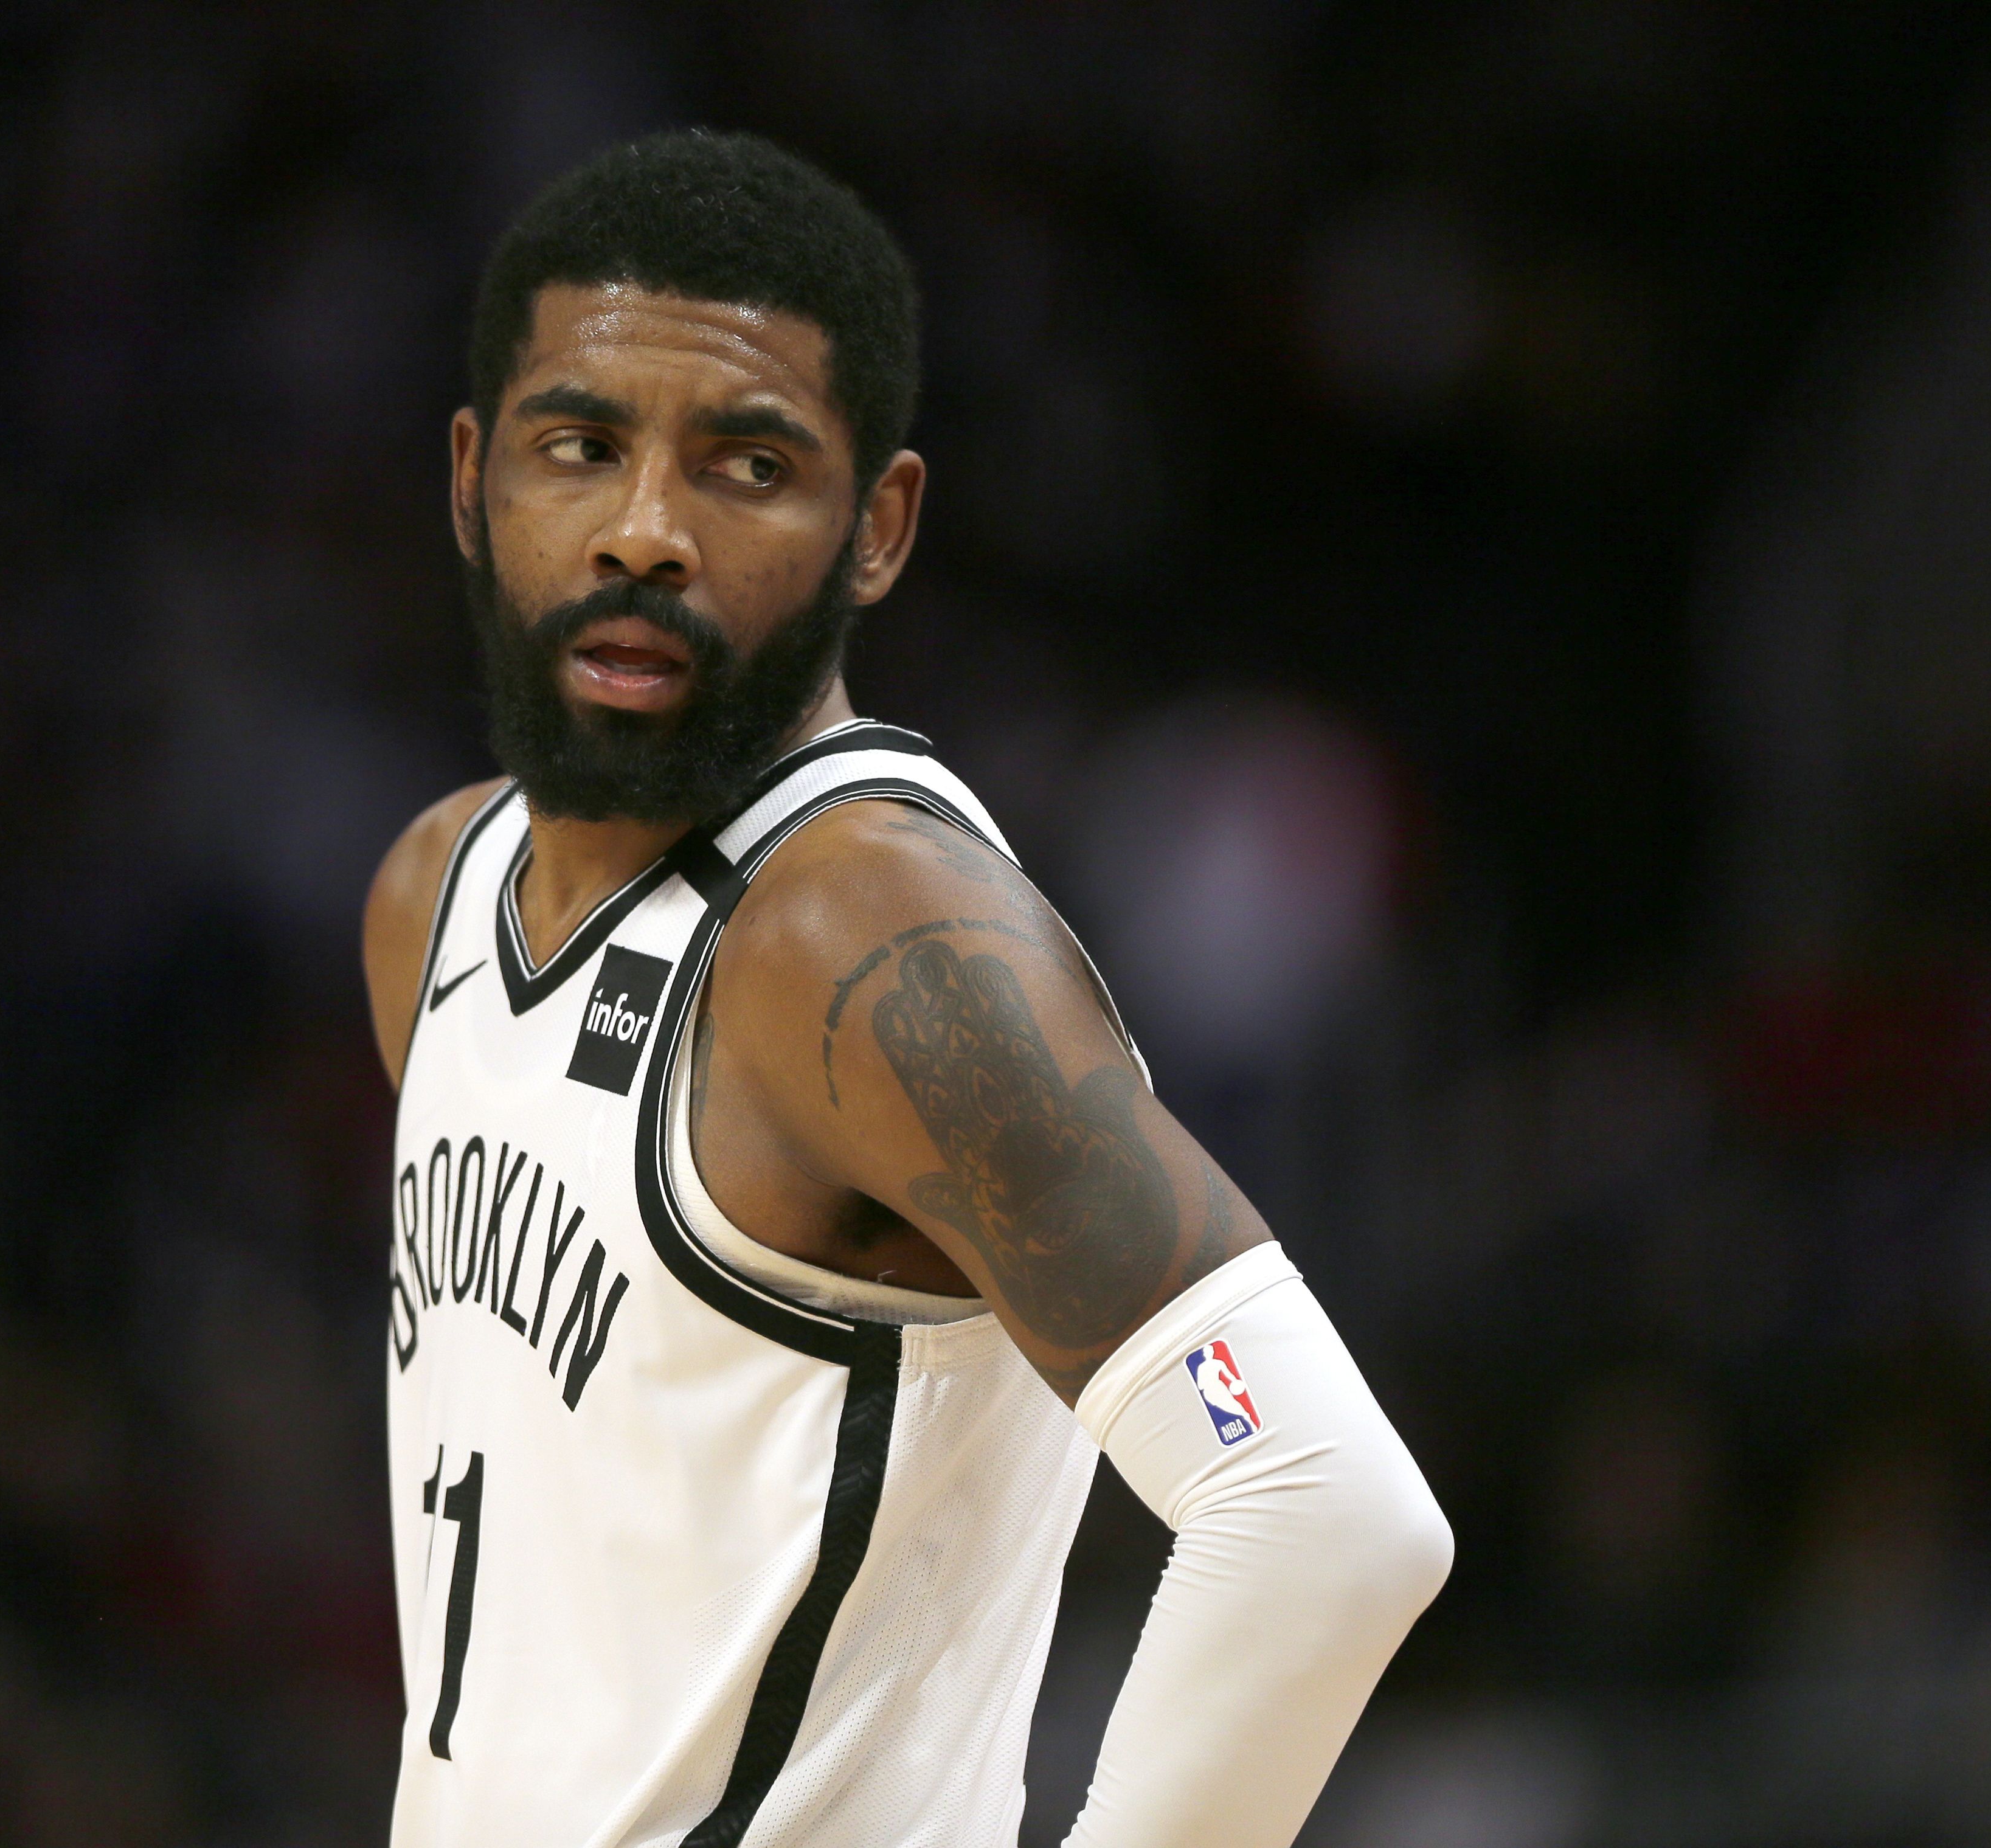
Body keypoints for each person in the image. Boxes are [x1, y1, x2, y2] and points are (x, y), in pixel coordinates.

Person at [361, 130, 1450, 1848]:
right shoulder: (438, 890)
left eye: (744, 466)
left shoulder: (864, 939)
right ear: (472, 479)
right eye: (581, 448)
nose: (643, 529)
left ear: (877, 527)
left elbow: (1320, 1508)